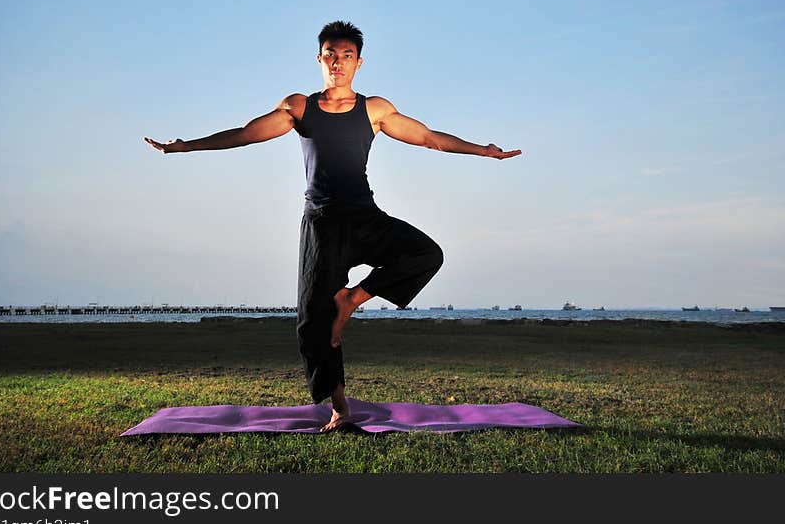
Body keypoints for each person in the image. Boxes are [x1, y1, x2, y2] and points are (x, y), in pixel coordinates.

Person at [144, 21, 521, 432]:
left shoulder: (375, 109)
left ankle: (353, 299)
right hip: (322, 224)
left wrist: (483, 151)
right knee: (311, 322)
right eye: (330, 55)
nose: (337, 63)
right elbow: (244, 135)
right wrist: (186, 146)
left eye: (346, 56)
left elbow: (429, 137)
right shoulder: (299, 107)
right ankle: (340, 409)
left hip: (364, 216)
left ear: (358, 62)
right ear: (319, 59)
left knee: (427, 254)